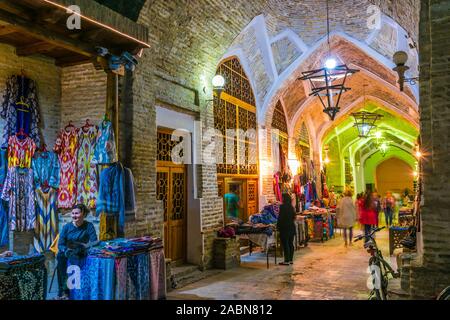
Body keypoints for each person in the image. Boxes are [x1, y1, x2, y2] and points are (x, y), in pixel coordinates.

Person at [56, 204, 97, 299]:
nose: (74, 215)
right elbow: (60, 244)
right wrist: (66, 251)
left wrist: (85, 248)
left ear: (83, 214)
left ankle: (86, 291)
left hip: (81, 251)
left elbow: (94, 241)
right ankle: (64, 290)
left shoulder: (89, 226)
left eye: (77, 213)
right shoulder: (67, 227)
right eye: (73, 213)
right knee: (60, 257)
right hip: (68, 251)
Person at [277, 193, 296, 266]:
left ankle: (286, 260)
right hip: (291, 227)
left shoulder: (282, 207)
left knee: (285, 244)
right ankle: (291, 260)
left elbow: (280, 218)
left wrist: (278, 226)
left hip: (285, 228)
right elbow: (294, 217)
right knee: (291, 244)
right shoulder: (291, 207)